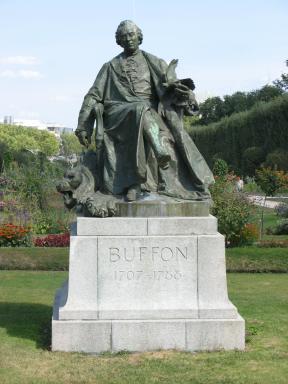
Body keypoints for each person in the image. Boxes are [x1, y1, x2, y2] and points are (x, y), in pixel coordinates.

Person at [75, 20, 214, 201]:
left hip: (150, 113)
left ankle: (138, 184)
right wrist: (83, 125)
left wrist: (185, 95)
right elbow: (93, 95)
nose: (128, 39)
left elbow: (174, 87)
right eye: (123, 36)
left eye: (131, 35)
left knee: (143, 111)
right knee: (140, 108)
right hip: (118, 114)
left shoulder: (155, 62)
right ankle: (158, 151)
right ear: (119, 40)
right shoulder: (109, 67)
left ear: (139, 37)